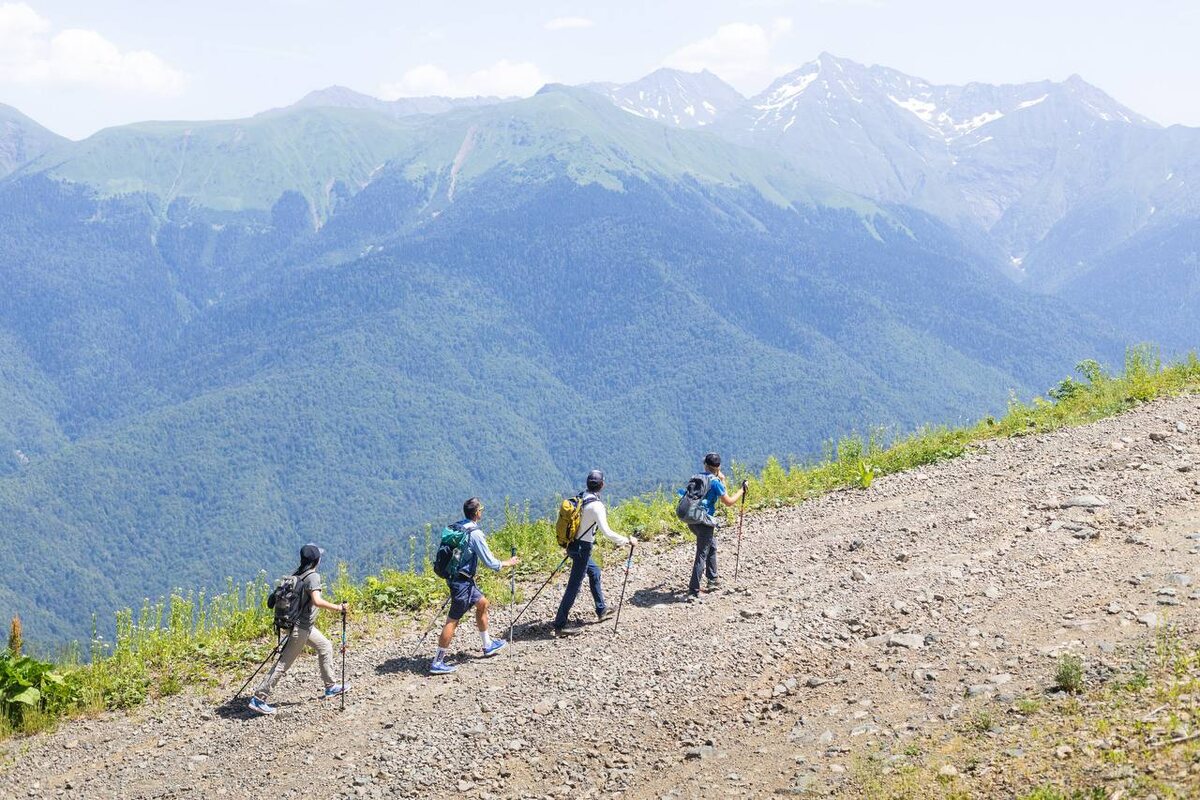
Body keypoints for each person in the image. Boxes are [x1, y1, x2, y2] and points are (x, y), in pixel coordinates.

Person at [249, 543, 349, 715]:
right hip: (300, 628)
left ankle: (331, 686)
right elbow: (317, 601)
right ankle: (259, 698)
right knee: (283, 664)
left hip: (300, 626)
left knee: (325, 646)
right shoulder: (313, 577)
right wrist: (339, 608)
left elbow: (270, 602)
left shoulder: (295, 574)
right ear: (316, 560)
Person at [431, 497, 520, 675]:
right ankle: (437, 662)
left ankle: (487, 645)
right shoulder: (475, 534)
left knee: (482, 603)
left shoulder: (458, 527)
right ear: (477, 513)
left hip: (460, 580)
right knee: (453, 620)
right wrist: (509, 563)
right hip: (461, 583)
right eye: (482, 509)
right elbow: (490, 563)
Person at [552, 470, 637, 637]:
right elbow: (607, 533)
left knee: (595, 571)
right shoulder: (597, 506)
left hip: (573, 545)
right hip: (583, 549)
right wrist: (627, 540)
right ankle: (560, 625)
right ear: (602, 485)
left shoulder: (581, 497)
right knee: (573, 587)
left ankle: (601, 608)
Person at [684, 452, 747, 601]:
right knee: (702, 553)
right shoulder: (715, 482)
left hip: (690, 518)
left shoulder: (696, 477)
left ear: (705, 465)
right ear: (718, 467)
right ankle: (693, 590)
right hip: (704, 521)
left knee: (711, 545)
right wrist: (742, 490)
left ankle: (712, 580)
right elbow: (729, 502)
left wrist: (722, 479)